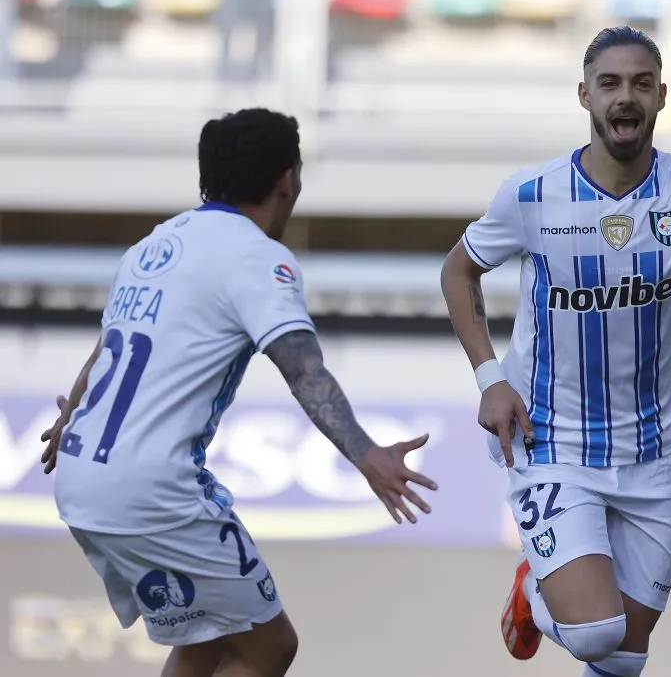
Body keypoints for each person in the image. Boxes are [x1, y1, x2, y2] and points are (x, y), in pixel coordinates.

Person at [439, 26, 671, 677]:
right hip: (552, 441)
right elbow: (459, 270)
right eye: (611, 83)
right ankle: (535, 592)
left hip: (651, 454)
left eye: (642, 84)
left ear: (662, 96)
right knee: (595, 632)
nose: (626, 97)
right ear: (584, 95)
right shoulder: (532, 195)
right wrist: (489, 378)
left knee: (623, 659)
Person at [38, 107, 438, 677]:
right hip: (150, 486)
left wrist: (70, 417)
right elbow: (304, 372)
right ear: (288, 180)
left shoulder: (153, 245)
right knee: (271, 646)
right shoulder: (257, 257)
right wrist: (367, 454)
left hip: (82, 472)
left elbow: (107, 349)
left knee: (207, 639)